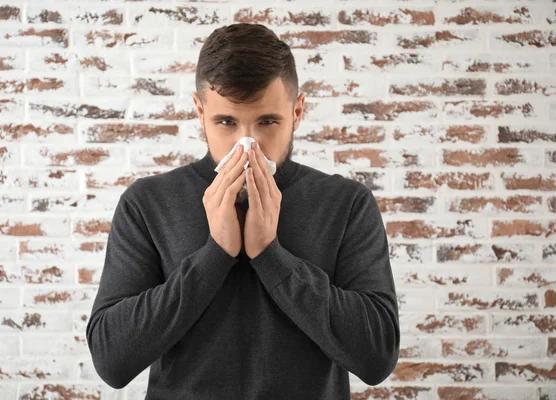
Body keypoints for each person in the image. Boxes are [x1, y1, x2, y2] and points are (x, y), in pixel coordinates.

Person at [86, 23, 400, 399]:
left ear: (297, 111)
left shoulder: (346, 203)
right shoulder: (148, 203)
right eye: (226, 122)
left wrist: (271, 256)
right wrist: (214, 255)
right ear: (200, 112)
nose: (246, 146)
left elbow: (377, 358)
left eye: (267, 122)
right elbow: (111, 360)